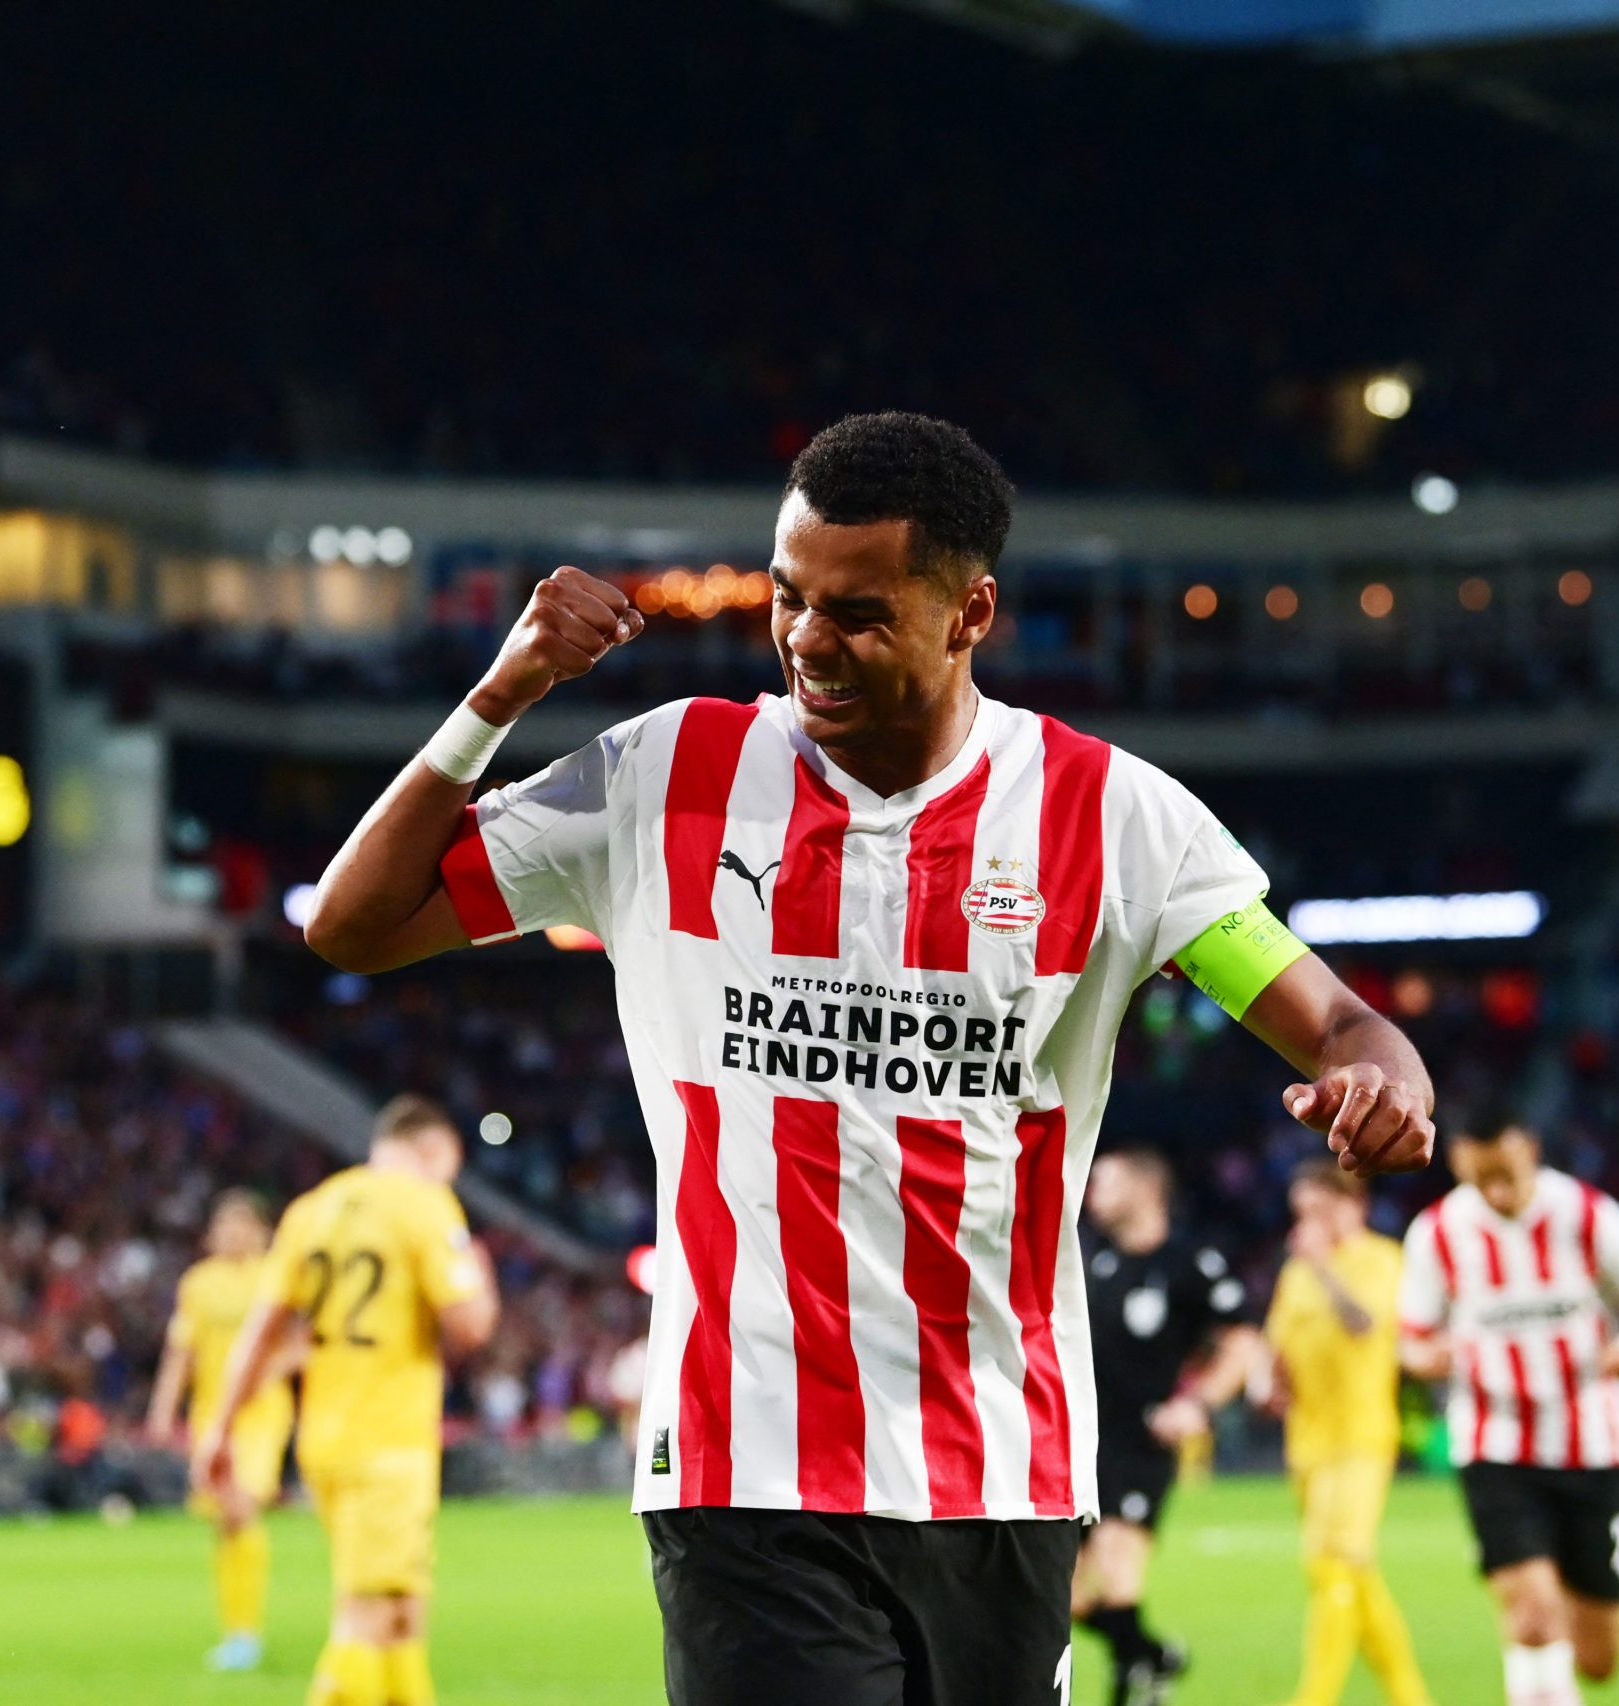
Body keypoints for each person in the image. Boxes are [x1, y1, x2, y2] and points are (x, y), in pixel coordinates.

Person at [300, 411, 1437, 1706]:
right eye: (789, 598)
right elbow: (353, 923)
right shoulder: (668, 775)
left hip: (1000, 1469)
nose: (805, 639)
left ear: (970, 613)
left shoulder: (1113, 818)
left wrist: (1382, 1079)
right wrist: (500, 694)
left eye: (855, 610)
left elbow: (1339, 1020)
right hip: (747, 1463)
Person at [199, 1095, 501, 1706]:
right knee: (365, 1618)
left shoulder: (313, 1209)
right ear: (432, 1149)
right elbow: (470, 1326)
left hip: (326, 1436)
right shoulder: (424, 1203)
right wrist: (480, 1270)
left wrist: (219, 1430)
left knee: (401, 1615)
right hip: (389, 1440)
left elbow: (263, 1329)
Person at [1398, 1113, 1619, 1706]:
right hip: (1494, 1442)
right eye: (1484, 1180)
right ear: (1459, 1163)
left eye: (1507, 1174)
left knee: (1600, 1657)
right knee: (1531, 1613)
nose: (1498, 1192)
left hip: (1594, 1444)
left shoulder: (1586, 1214)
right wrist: (1435, 1357)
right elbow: (1411, 1341)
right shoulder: (1436, 1233)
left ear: (1529, 1147)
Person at [1073, 1147, 1262, 1706]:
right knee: (1067, 1599)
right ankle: (1151, 1657)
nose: (1091, 1195)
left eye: (1105, 1182)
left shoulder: (1190, 1261)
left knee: (1117, 1568)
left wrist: (1197, 1405)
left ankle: (1136, 1686)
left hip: (1141, 1442)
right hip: (1082, 1444)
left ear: (1145, 1188)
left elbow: (1242, 1341)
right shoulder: (1094, 1262)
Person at [1262, 1162, 1435, 1706]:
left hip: (1361, 1438)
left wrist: (1323, 1269)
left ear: (1351, 1205)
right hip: (1307, 1442)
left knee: (1335, 1562)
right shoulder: (1295, 1276)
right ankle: (1411, 1696)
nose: (1306, 1225)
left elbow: (1365, 1324)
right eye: (1300, 1214)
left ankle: (1314, 1697)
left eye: (1317, 1211)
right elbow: (1278, 1347)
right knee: (1350, 1573)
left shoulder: (1380, 1260)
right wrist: (1271, 1381)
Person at [144, 1190, 297, 1673]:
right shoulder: (198, 1284)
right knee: (226, 1522)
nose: (232, 1235)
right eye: (224, 1226)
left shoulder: (278, 1277)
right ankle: (237, 1630)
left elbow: (303, 1342)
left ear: (261, 1232)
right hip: (211, 1415)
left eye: (242, 1226)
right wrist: (163, 1410)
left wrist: (267, 1374)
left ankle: (244, 1637)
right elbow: (181, 1354)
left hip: (261, 1412)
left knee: (240, 1507)